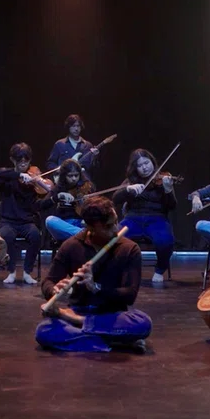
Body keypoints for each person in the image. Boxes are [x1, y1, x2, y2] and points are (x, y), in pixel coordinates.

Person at [36, 196, 151, 353]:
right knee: (43, 331)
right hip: (79, 309)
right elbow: (48, 281)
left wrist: (96, 287)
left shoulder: (129, 248)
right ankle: (113, 340)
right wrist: (54, 290)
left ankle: (82, 328)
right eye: (108, 226)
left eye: (116, 222)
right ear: (90, 228)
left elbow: (129, 295)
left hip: (112, 315)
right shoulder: (71, 246)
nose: (116, 229)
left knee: (143, 323)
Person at [111, 148, 177, 284]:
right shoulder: (131, 181)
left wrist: (168, 190)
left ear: (152, 161)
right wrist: (127, 190)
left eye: (146, 163)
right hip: (133, 218)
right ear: (135, 168)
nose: (144, 168)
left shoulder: (164, 179)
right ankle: (121, 269)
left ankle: (160, 269)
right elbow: (115, 199)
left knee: (165, 241)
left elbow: (172, 206)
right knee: (113, 238)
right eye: (140, 165)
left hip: (157, 218)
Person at [0, 142, 52, 285]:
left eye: (26, 160)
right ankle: (11, 271)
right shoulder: (6, 178)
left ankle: (27, 272)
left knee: (35, 236)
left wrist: (39, 182)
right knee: (7, 236)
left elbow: (45, 194)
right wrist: (19, 174)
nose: (24, 164)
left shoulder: (32, 181)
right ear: (13, 160)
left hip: (26, 221)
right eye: (20, 161)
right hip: (8, 221)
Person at [41, 159, 95, 242]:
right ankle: (83, 234)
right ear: (64, 176)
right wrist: (58, 197)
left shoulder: (86, 186)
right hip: (65, 225)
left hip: (81, 223)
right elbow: (42, 205)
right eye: (70, 176)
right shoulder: (58, 188)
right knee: (50, 220)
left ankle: (80, 234)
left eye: (76, 175)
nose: (74, 179)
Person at [45, 114, 99, 180]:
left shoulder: (88, 145)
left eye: (78, 126)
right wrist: (59, 170)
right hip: (65, 181)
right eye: (73, 126)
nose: (76, 129)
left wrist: (95, 157)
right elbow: (50, 163)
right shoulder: (59, 144)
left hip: (84, 182)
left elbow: (94, 169)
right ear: (68, 127)